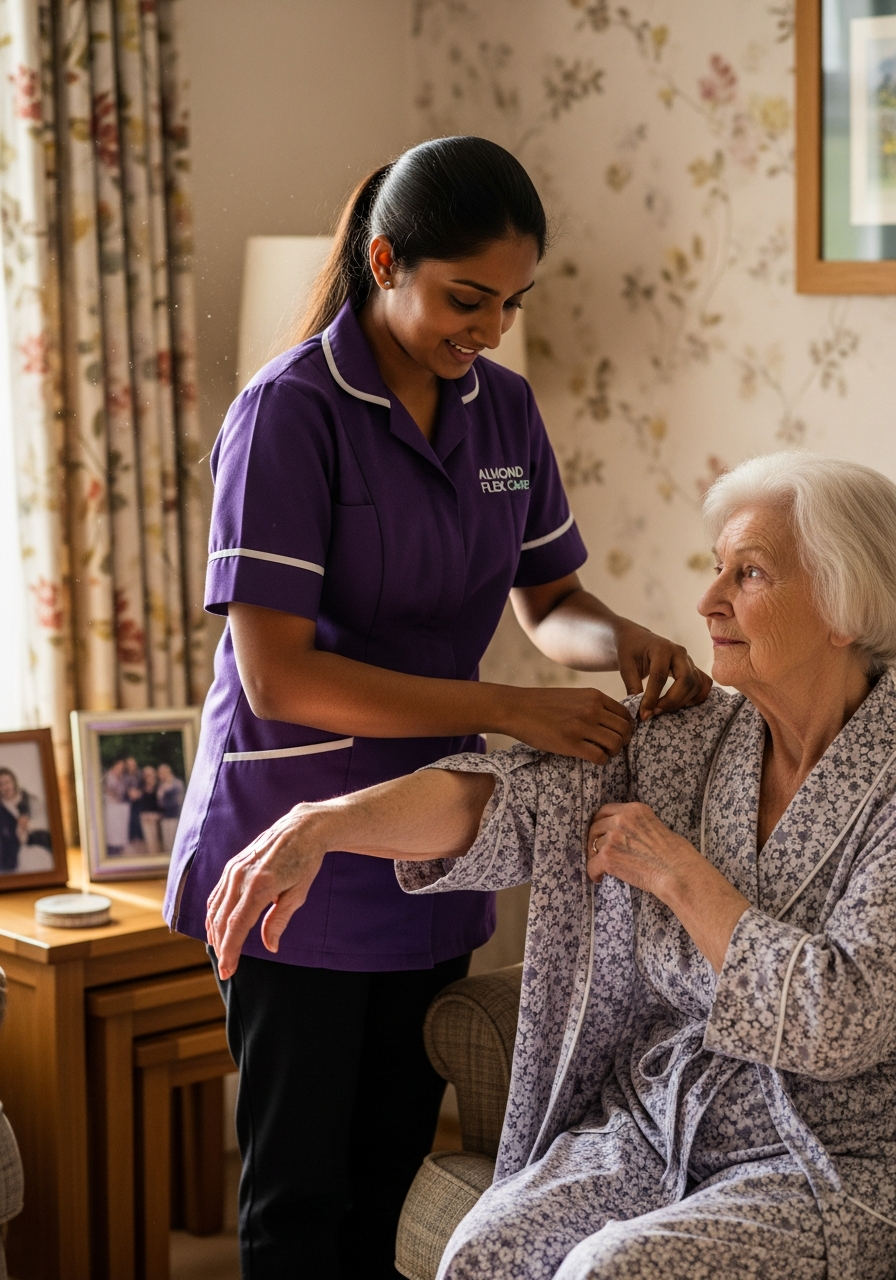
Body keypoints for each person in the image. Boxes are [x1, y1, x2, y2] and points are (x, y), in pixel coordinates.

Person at [166, 135, 710, 1280]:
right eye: (468, 298)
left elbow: (550, 595)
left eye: (511, 301)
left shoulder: (500, 412)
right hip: (296, 841)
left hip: (425, 839)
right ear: (384, 260)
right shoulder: (288, 414)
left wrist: (622, 644)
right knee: (298, 1195)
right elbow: (278, 674)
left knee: (390, 1176)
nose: (492, 329)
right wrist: (507, 706)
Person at [209, 452, 896, 1280]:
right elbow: (509, 802)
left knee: (608, 1270)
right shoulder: (695, 735)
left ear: (843, 606)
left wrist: (680, 875)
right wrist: (324, 824)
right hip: (660, 1121)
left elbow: (842, 1016)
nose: (708, 601)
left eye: (748, 574)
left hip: (830, 1159)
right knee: (483, 1251)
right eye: (717, 568)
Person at [0, 766, 52, 873]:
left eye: (7, 782)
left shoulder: (31, 801)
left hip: (39, 850)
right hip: (13, 861)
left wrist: (29, 825)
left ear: (14, 782)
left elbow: (46, 825)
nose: (5, 787)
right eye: (1, 784)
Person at [156, 763, 184, 854]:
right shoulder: (161, 785)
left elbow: (178, 801)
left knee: (174, 841)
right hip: (165, 816)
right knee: (167, 842)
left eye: (162, 773)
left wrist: (165, 802)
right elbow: (159, 802)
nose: (160, 775)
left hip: (174, 816)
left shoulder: (177, 784)